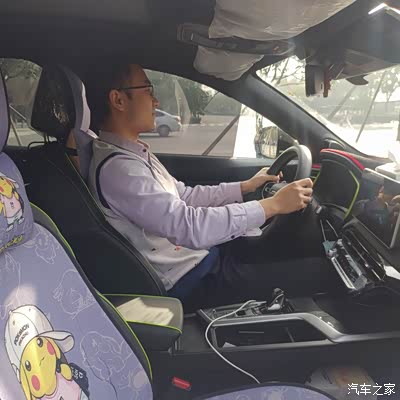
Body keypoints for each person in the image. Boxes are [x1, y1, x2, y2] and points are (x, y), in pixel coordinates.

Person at [85, 63, 333, 310]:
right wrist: (273, 205)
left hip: (200, 257)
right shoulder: (121, 170)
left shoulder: (133, 155)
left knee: (285, 254)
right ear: (118, 100)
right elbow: (188, 226)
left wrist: (244, 187)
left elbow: (184, 195)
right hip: (193, 280)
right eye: (148, 90)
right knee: (320, 271)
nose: (156, 101)